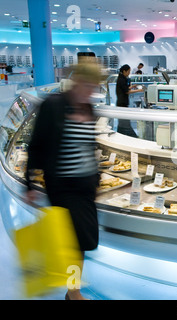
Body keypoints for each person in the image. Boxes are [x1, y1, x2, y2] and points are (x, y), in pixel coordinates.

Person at [25, 62, 102, 300]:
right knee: (74, 243)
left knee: (84, 241)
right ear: (77, 81)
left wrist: (96, 177)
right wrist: (30, 182)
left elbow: (89, 146)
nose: (90, 91)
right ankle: (73, 293)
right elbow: (36, 143)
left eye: (94, 86)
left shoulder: (89, 109)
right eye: (87, 85)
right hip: (63, 185)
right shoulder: (54, 105)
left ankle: (72, 290)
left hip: (85, 186)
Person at [116, 64, 143, 137]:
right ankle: (133, 137)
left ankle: (121, 135)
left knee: (122, 123)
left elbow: (126, 88)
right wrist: (139, 90)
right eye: (128, 71)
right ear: (124, 71)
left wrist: (132, 86)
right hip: (122, 104)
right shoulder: (121, 79)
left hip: (122, 103)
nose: (129, 73)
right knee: (125, 123)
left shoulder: (122, 78)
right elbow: (127, 91)